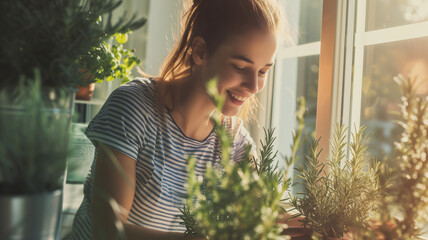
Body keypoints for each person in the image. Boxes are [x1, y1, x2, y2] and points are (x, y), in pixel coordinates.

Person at [68, 0, 291, 239]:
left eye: (263, 71)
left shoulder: (234, 142)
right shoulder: (133, 107)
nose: (254, 86)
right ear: (200, 52)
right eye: (239, 66)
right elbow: (108, 232)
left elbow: (270, 216)